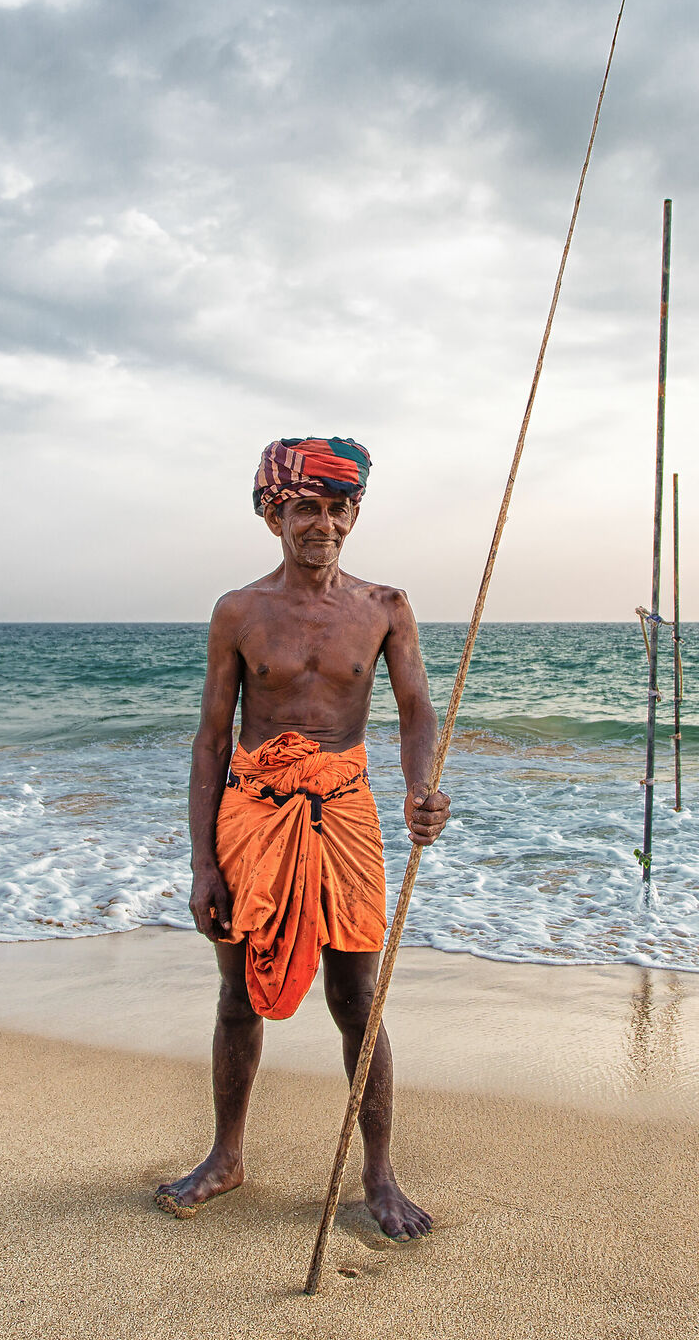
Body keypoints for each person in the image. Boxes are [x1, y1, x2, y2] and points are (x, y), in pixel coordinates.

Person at [154, 436, 450, 1240]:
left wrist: (420, 790)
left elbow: (418, 711)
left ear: (354, 513)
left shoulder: (386, 606)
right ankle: (226, 1156)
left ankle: (379, 1175)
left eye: (337, 506)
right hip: (252, 812)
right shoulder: (239, 612)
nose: (322, 522)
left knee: (358, 999)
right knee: (239, 993)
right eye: (305, 506)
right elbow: (212, 739)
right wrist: (203, 863)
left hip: (346, 811)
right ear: (274, 514)